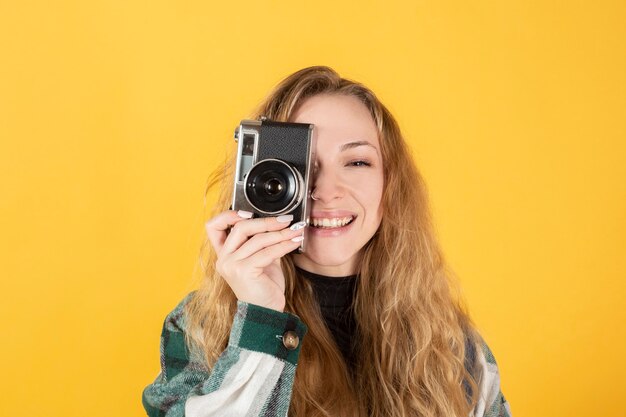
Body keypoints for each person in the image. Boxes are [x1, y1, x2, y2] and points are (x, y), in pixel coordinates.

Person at [142, 66, 512, 417]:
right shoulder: (202, 327)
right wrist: (260, 318)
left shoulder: (451, 346)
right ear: (257, 177)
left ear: (391, 183)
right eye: (301, 165)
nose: (326, 191)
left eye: (356, 162)